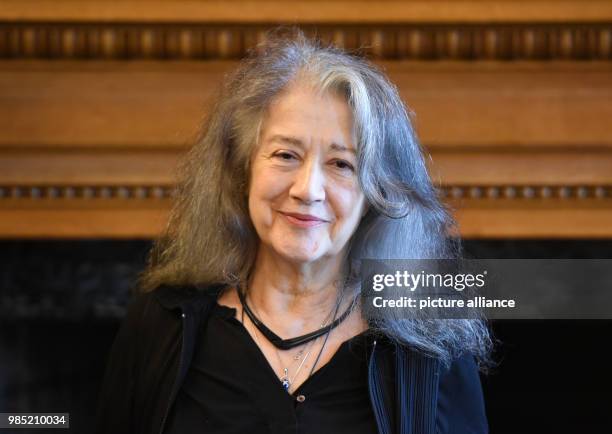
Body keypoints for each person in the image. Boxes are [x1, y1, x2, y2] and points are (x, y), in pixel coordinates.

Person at [94, 28, 493, 434]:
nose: (307, 190)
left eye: (341, 164)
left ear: (377, 192)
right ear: (242, 169)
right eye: (286, 155)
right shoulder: (162, 321)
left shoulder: (429, 348)